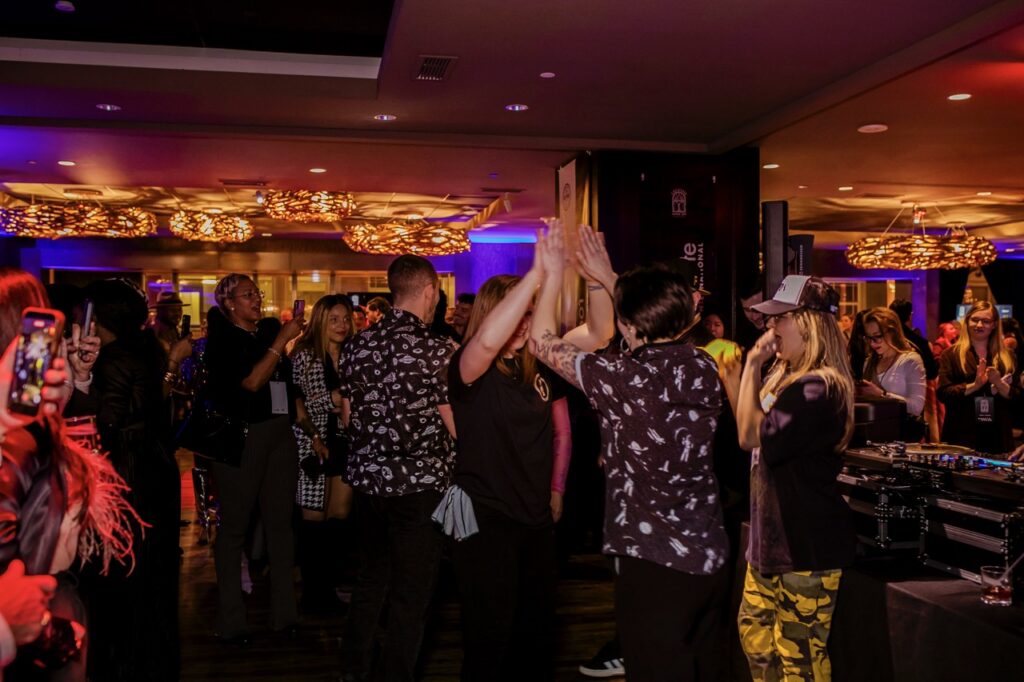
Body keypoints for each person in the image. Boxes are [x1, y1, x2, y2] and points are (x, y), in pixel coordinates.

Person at [531, 224, 729, 682]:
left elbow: (540, 342)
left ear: (627, 323)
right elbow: (659, 320)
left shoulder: (619, 378)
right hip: (709, 557)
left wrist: (552, 273)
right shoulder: (702, 364)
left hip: (653, 562)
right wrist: (609, 277)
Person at [441, 237, 611, 680]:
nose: (526, 323)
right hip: (482, 516)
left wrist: (595, 280)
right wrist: (538, 274)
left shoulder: (538, 367)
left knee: (535, 635)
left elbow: (599, 334)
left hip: (532, 518)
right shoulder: (469, 368)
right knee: (488, 637)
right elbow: (486, 340)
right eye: (519, 313)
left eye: (530, 314)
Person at [0, 269, 137, 678]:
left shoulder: (25, 423)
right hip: (32, 605)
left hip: (53, 595)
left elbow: (75, 450)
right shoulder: (15, 441)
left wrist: (75, 380)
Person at [340, 255, 457, 682]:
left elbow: (349, 419)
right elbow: (455, 426)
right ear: (429, 292)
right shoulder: (439, 350)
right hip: (420, 488)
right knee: (411, 597)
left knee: (371, 582)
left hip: (369, 488)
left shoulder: (356, 345)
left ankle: (353, 670)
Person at [735, 275, 856, 682]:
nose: (771, 328)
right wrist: (752, 371)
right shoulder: (786, 376)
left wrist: (751, 365)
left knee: (800, 657)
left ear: (807, 323)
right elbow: (746, 428)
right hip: (771, 543)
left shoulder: (816, 388)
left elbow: (749, 435)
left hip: (805, 545)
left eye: (779, 319)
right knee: (756, 637)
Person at [67, 278, 181, 681]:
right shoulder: (146, 348)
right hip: (151, 472)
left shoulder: (114, 359)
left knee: (124, 585)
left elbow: (105, 426)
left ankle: (126, 664)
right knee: (150, 584)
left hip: (127, 477)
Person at [204, 274, 305, 644]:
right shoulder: (222, 339)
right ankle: (232, 621)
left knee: (281, 526)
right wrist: (282, 341)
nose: (256, 299)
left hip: (279, 434)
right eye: (248, 294)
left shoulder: (263, 333)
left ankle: (285, 616)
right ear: (228, 302)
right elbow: (250, 383)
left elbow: (283, 383)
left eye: (257, 293)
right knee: (235, 529)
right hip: (242, 439)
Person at [290, 294, 354, 613]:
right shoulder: (304, 356)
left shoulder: (353, 355)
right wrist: (331, 397)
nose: (342, 325)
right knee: (313, 519)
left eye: (345, 319)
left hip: (345, 443)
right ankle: (313, 593)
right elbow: (296, 404)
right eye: (334, 319)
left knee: (339, 519)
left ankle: (328, 588)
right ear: (320, 322)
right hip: (312, 443)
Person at [936, 301, 1018, 455]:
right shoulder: (951, 355)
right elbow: (943, 393)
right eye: (975, 319)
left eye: (986, 321)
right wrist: (975, 385)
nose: (979, 325)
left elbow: (1019, 398)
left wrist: (999, 384)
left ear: (994, 325)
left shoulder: (1008, 356)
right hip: (961, 435)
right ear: (967, 321)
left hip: (998, 436)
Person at [856, 307, 927, 440]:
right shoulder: (869, 361)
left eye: (877, 336)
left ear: (892, 332)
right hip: (873, 435)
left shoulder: (910, 360)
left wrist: (881, 395)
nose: (872, 343)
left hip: (901, 438)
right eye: (869, 338)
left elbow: (916, 407)